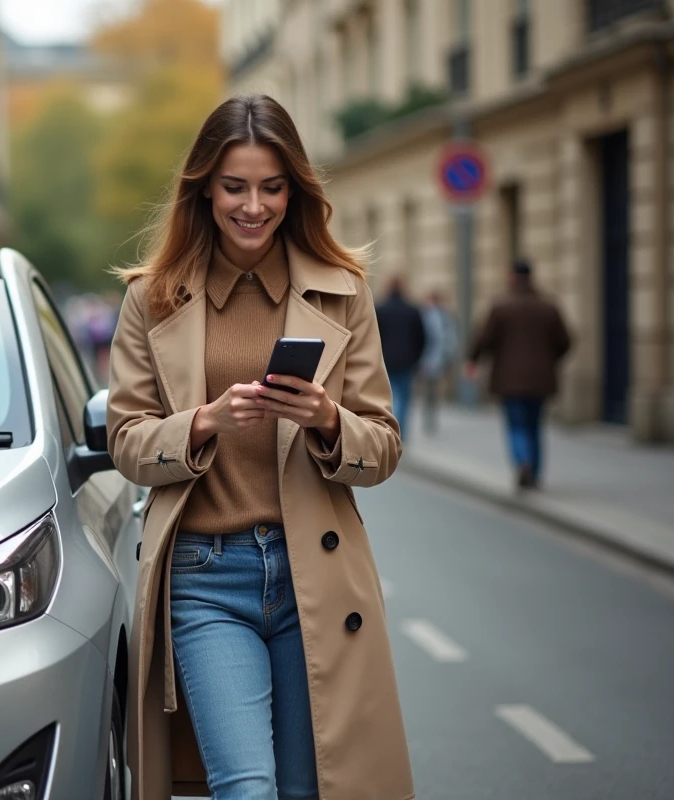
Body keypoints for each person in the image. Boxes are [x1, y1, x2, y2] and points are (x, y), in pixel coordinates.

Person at [106, 95, 413, 800]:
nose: (254, 206)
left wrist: (328, 418)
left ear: (294, 191)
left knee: (310, 788)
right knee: (246, 788)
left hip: (315, 574)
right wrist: (204, 422)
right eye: (235, 186)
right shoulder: (151, 299)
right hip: (204, 578)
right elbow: (126, 442)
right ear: (205, 189)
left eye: (272, 187)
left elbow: (385, 445)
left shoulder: (343, 294)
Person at [466, 259, 572, 489]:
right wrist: (548, 361)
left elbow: (484, 338)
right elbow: (565, 342)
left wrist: (472, 361)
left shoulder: (501, 306)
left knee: (516, 425)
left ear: (512, 276)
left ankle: (522, 462)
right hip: (541, 380)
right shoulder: (548, 306)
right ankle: (534, 472)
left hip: (509, 380)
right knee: (535, 426)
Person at [374, 276, 427, 440]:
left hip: (386, 361)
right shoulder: (412, 309)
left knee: (388, 397)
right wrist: (417, 358)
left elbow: (373, 337)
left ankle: (391, 430)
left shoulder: (380, 309)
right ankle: (399, 432)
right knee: (404, 397)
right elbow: (422, 337)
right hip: (407, 361)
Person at [419, 289, 459, 435]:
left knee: (432, 391)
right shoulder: (430, 315)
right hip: (430, 360)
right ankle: (429, 417)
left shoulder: (441, 316)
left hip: (434, 359)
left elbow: (447, 338)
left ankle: (430, 417)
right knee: (430, 391)